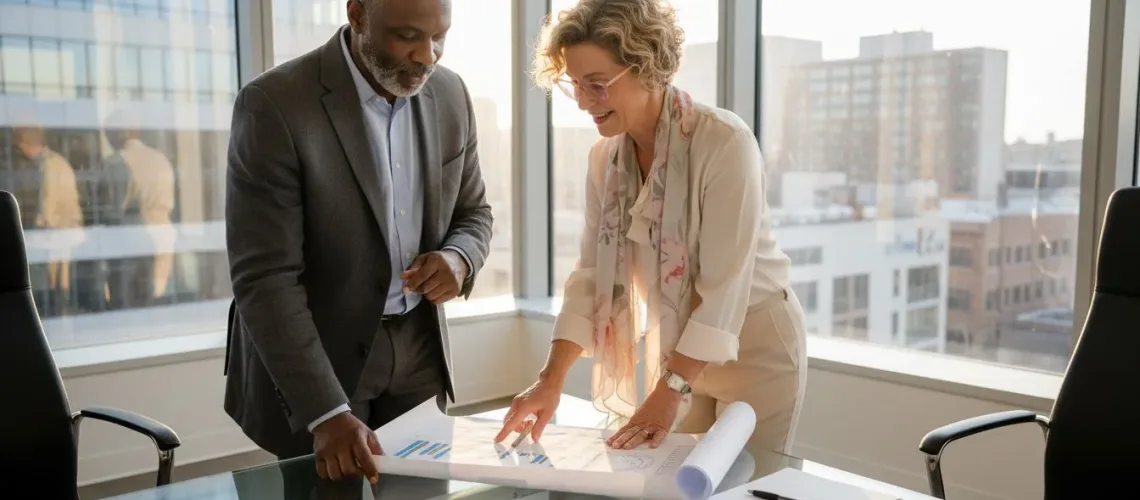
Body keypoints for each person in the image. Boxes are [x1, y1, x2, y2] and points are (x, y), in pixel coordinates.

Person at [497, 0, 807, 455]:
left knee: (746, 483)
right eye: (575, 85)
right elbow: (588, 278)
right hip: (675, 352)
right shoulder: (604, 160)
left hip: (756, 348)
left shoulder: (724, 142)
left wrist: (670, 391)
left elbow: (723, 292)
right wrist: (550, 381)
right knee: (665, 480)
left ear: (646, 67)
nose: (583, 102)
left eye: (597, 85)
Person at [223, 0, 492, 484]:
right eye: (407, 36)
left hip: (418, 350)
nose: (427, 56)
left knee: (423, 495)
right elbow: (265, 279)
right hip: (317, 355)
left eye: (439, 38)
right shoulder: (274, 104)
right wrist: (324, 412)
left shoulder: (451, 93)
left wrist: (459, 259)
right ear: (357, 14)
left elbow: (475, 215)